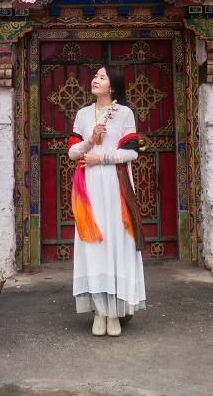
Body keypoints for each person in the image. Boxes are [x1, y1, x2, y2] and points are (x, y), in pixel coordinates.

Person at [67, 65, 147, 336]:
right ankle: (99, 312)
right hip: (89, 187)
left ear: (112, 86)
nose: (95, 80)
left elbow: (132, 153)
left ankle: (115, 314)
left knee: (116, 241)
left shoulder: (124, 114)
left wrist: (101, 158)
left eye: (102, 77)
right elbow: (72, 153)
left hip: (115, 186)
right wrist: (91, 140)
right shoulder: (82, 114)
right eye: (95, 76)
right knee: (94, 245)